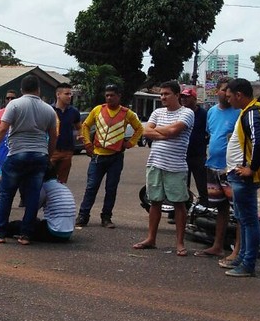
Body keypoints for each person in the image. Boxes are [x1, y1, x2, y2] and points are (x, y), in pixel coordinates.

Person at [0, 74, 58, 245]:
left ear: (21, 90)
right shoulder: (48, 109)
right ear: (38, 90)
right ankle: (26, 235)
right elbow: (53, 136)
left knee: (6, 194)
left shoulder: (14, 105)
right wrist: (48, 155)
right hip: (39, 155)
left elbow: (2, 129)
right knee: (32, 196)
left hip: (17, 153)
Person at [134, 80, 195, 256]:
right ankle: (151, 238)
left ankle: (180, 243)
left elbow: (173, 132)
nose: (163, 97)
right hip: (155, 163)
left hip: (175, 165)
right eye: (161, 94)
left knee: (179, 203)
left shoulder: (187, 113)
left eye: (166, 94)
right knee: (154, 201)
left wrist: (159, 131)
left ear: (177, 95)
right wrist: (164, 131)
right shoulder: (157, 112)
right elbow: (145, 132)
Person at [220, 78, 260, 278]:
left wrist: (251, 168)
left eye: (230, 96)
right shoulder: (247, 112)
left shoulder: (252, 113)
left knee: (249, 221)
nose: (229, 100)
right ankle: (242, 257)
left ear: (239, 95)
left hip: (244, 177)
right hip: (237, 174)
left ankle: (248, 263)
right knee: (243, 218)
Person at [75, 82, 143, 228]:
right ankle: (83, 216)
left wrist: (130, 143)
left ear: (119, 96)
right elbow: (85, 125)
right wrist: (87, 143)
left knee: (111, 189)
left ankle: (106, 217)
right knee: (91, 187)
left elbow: (139, 129)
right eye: (107, 95)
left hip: (116, 157)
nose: (109, 98)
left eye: (112, 95)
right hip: (98, 156)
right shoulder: (98, 110)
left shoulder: (127, 113)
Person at [0, 167, 75, 242]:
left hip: (53, 232)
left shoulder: (44, 187)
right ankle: (0, 226)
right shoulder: (61, 186)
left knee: (19, 225)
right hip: (67, 233)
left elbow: (33, 207)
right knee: (34, 222)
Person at [198, 78, 241, 259]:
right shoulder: (212, 112)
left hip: (230, 168)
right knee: (220, 208)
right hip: (213, 165)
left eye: (229, 90)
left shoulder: (240, 113)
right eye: (223, 89)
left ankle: (238, 250)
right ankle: (217, 245)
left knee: (238, 211)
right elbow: (211, 133)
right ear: (217, 91)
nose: (226, 93)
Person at [180, 87, 208, 207]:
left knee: (202, 185)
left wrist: (204, 141)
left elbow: (209, 131)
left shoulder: (203, 114)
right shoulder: (180, 112)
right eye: (183, 97)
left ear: (194, 99)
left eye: (187, 97)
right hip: (182, 155)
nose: (184, 99)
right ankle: (179, 211)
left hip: (198, 156)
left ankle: (204, 209)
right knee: (181, 185)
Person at [50, 83, 82, 184]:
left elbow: (79, 127)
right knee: (47, 180)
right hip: (52, 151)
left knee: (62, 182)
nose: (69, 96)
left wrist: (80, 134)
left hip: (67, 151)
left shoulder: (74, 112)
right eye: (67, 94)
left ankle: (59, 199)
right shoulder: (49, 110)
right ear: (58, 95)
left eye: (70, 94)